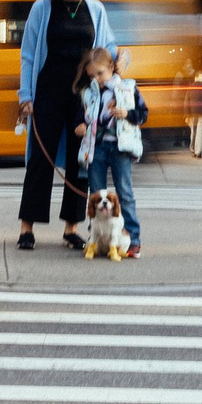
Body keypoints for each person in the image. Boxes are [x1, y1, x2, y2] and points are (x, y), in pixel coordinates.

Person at [16, 0, 115, 251]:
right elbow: (28, 54)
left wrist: (116, 62)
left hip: (84, 98)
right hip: (47, 93)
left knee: (81, 160)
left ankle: (71, 228)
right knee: (40, 160)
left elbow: (107, 47)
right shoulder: (42, 9)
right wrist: (25, 96)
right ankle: (27, 228)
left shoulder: (95, 9)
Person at [77, 45, 144, 259]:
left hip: (120, 147)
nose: (97, 79)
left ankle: (132, 239)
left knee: (125, 193)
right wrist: (81, 126)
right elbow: (83, 117)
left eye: (100, 73)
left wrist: (126, 113)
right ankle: (95, 238)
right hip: (96, 148)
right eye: (92, 76)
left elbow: (143, 114)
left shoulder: (128, 88)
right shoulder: (88, 94)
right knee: (96, 194)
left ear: (112, 68)